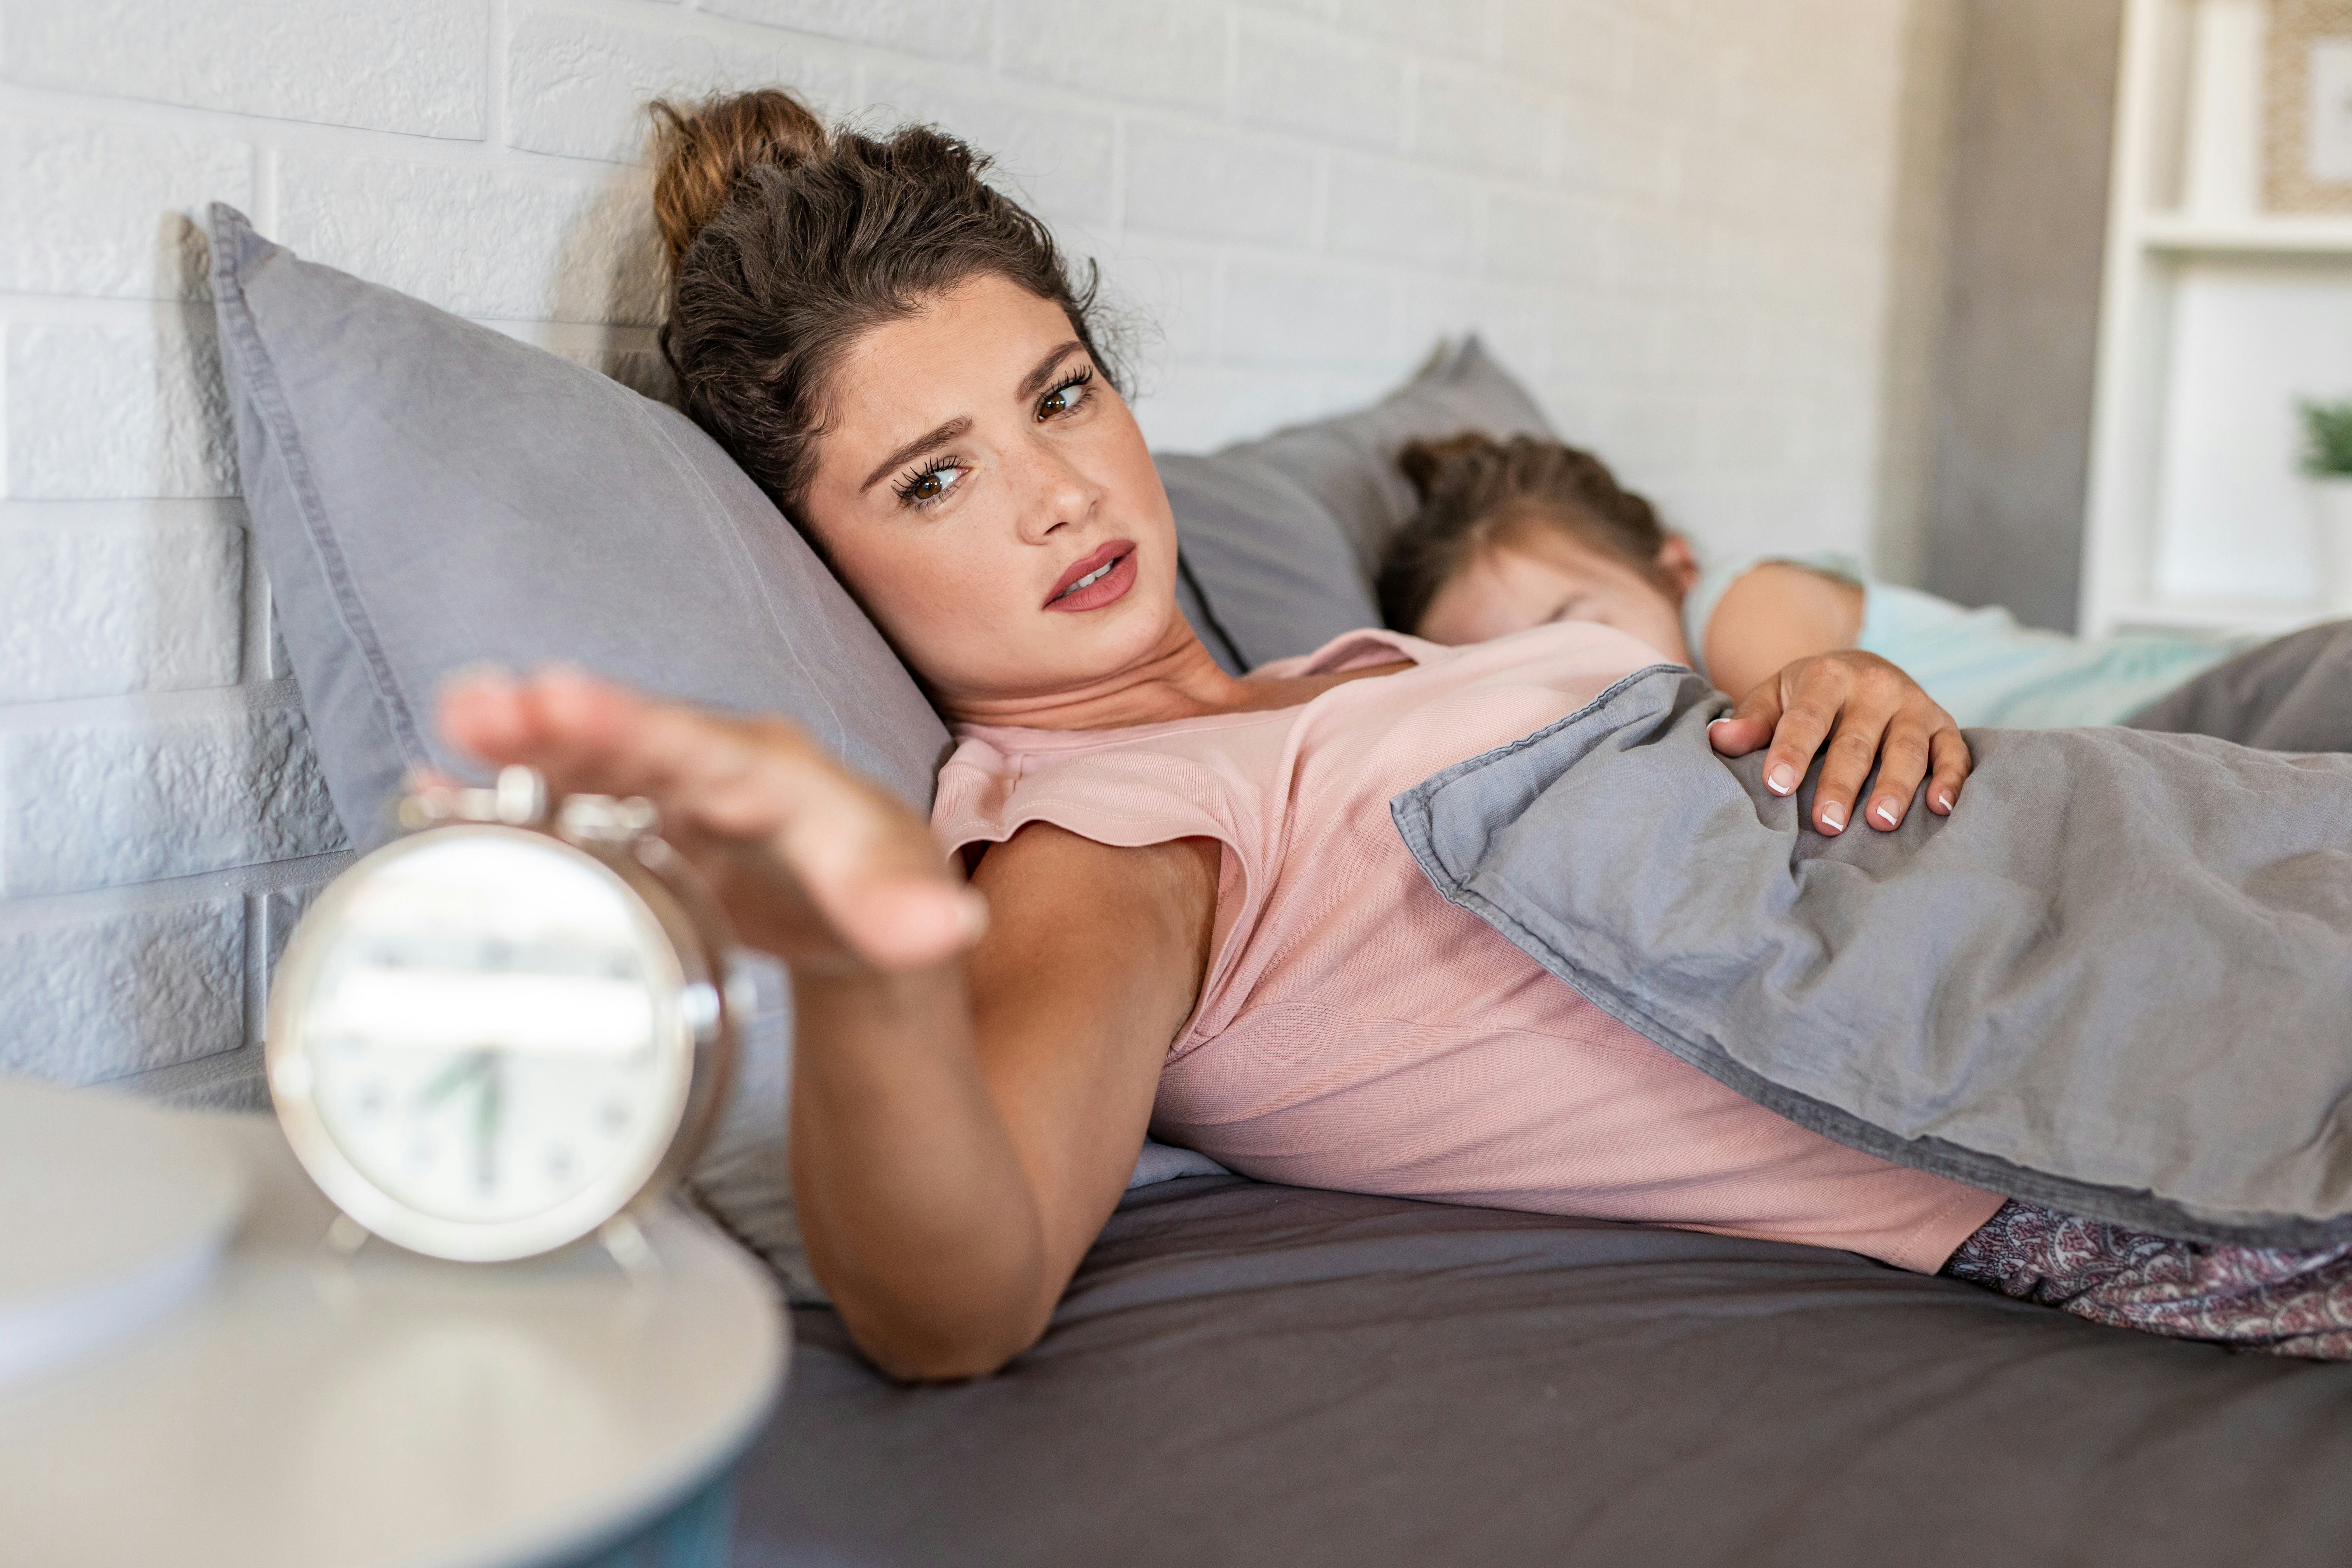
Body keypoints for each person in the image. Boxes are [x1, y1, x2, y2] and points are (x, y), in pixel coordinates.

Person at [437, 89, 2352, 1379]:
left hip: (2119, 851)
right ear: (819, 556)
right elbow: (966, 1288)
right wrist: (854, 958)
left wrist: (1819, 695)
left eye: (1064, 394)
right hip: (2114, 1061)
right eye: (937, 479)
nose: (1060, 499)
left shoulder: (1357, 665)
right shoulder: (1100, 841)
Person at [1381, 432, 2253, 756]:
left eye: (1577, 629)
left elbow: (1825, 681)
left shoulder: (1730, 604)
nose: (1571, 678)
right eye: (1513, 671)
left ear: (1673, 567)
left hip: (2206, 704)